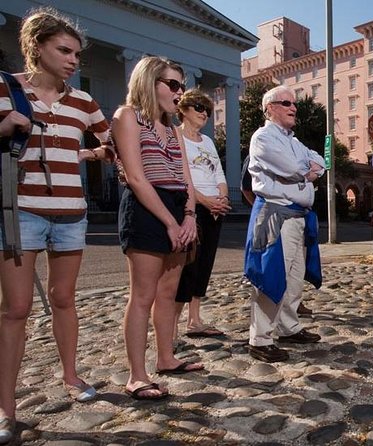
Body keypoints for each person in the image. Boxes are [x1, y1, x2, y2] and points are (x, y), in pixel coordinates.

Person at [0, 7, 113, 443]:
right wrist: (5, 124)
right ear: (37, 47)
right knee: (16, 309)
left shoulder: (84, 101)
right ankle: (5, 408)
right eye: (64, 50)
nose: (72, 60)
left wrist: (87, 154)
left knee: (64, 299)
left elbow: (109, 146)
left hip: (71, 212)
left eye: (77, 55)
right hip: (21, 210)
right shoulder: (6, 88)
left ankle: (71, 376)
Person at [112, 56, 204, 401]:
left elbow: (185, 174)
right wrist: (169, 222)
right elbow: (136, 177)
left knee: (168, 293)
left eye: (181, 85)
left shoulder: (172, 128)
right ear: (150, 82)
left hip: (178, 207)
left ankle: (166, 358)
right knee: (142, 295)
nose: (180, 93)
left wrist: (190, 215)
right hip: (147, 209)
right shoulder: (128, 117)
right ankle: (137, 375)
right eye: (173, 85)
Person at [244, 85, 324, 363]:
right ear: (270, 108)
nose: (293, 107)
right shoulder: (263, 137)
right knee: (271, 276)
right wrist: (304, 169)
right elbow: (291, 168)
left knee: (293, 277)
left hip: (298, 216)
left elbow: (320, 162)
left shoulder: (294, 140)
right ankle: (260, 339)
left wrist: (305, 167)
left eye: (294, 103)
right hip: (276, 215)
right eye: (286, 102)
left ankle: (288, 327)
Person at [173, 89, 230, 339]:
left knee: (205, 263)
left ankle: (195, 319)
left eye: (206, 108)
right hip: (191, 207)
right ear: (183, 110)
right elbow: (180, 178)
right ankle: (171, 326)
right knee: (187, 266)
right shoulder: (175, 137)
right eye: (198, 107)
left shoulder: (207, 141)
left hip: (214, 209)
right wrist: (206, 202)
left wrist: (223, 198)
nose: (204, 112)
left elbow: (218, 173)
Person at [241, 152, 314, 317]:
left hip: (297, 215)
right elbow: (246, 188)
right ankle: (263, 330)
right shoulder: (258, 152)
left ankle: (290, 312)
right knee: (271, 266)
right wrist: (263, 209)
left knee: (294, 269)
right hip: (272, 215)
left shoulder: (294, 150)